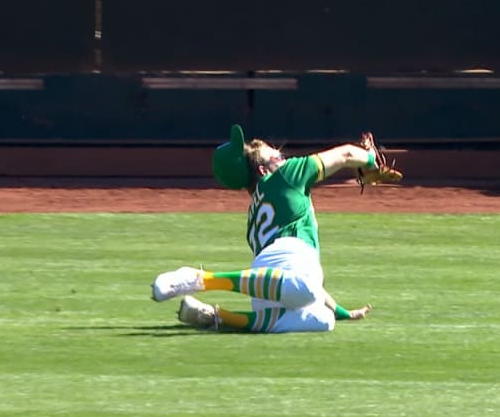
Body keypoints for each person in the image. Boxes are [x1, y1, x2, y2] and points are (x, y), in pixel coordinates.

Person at [149, 124, 403, 333]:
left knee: (323, 320)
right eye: (278, 156)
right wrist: (371, 160)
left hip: (267, 286)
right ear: (263, 169)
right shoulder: (284, 176)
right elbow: (347, 154)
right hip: (288, 266)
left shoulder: (254, 214)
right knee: (306, 289)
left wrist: (341, 311)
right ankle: (201, 279)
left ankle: (217, 317)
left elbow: (293, 280)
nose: (286, 158)